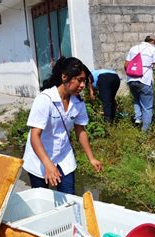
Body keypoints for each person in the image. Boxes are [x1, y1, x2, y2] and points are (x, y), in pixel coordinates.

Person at [22, 57, 103, 194]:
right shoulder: (45, 100)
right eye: (79, 79)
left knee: (69, 199)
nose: (83, 85)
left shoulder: (78, 103)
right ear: (64, 77)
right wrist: (47, 164)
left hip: (64, 156)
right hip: (40, 158)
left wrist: (91, 158)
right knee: (42, 200)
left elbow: (80, 131)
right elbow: (35, 136)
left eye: (84, 81)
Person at [124, 35, 155, 131]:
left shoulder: (133, 48)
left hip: (131, 80)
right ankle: (145, 132)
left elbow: (126, 66)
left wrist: (133, 75)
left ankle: (138, 118)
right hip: (144, 80)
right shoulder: (153, 50)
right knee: (147, 107)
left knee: (137, 98)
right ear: (153, 42)